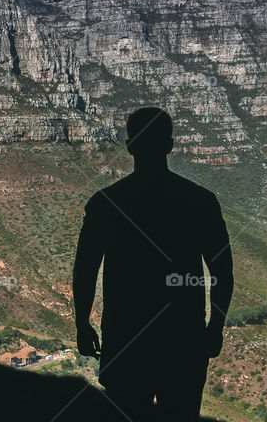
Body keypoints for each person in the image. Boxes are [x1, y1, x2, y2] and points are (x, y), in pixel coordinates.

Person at [72, 107, 234, 421]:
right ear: (169, 145)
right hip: (184, 342)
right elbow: (221, 273)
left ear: (131, 146)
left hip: (125, 341)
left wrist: (82, 323)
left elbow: (85, 269)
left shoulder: (106, 204)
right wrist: (215, 327)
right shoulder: (200, 202)